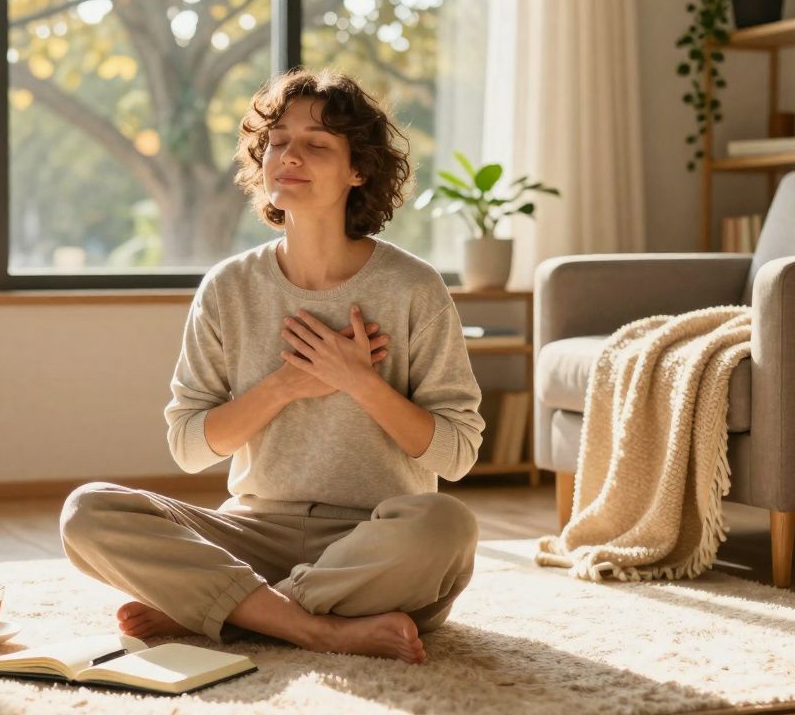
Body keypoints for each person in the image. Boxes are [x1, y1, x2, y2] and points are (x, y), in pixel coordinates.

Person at [60, 69, 485, 664]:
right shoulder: (228, 287)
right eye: (278, 141)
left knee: (446, 526)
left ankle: (229, 609)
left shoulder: (413, 287)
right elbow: (189, 447)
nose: (289, 156)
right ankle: (317, 628)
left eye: (317, 144)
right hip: (252, 535)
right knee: (87, 512)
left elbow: (456, 455)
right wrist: (287, 384)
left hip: (375, 543)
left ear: (359, 170)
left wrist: (357, 381)